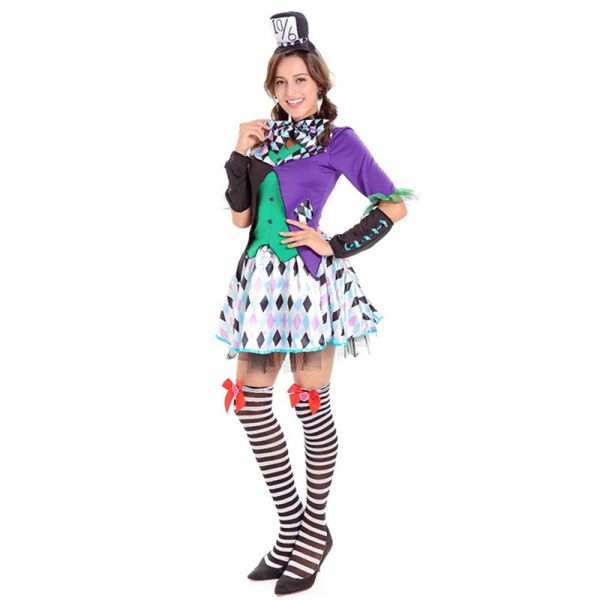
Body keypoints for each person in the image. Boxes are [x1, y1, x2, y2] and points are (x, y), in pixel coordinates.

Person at [216, 11, 417, 595]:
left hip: (307, 287)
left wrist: (335, 244)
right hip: (260, 286)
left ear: (320, 81)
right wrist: (238, 154)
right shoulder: (264, 140)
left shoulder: (338, 140)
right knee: (252, 405)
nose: (291, 91)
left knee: (308, 403)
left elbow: (394, 203)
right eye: (281, 82)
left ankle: (314, 531)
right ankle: (292, 526)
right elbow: (241, 220)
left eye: (300, 79)